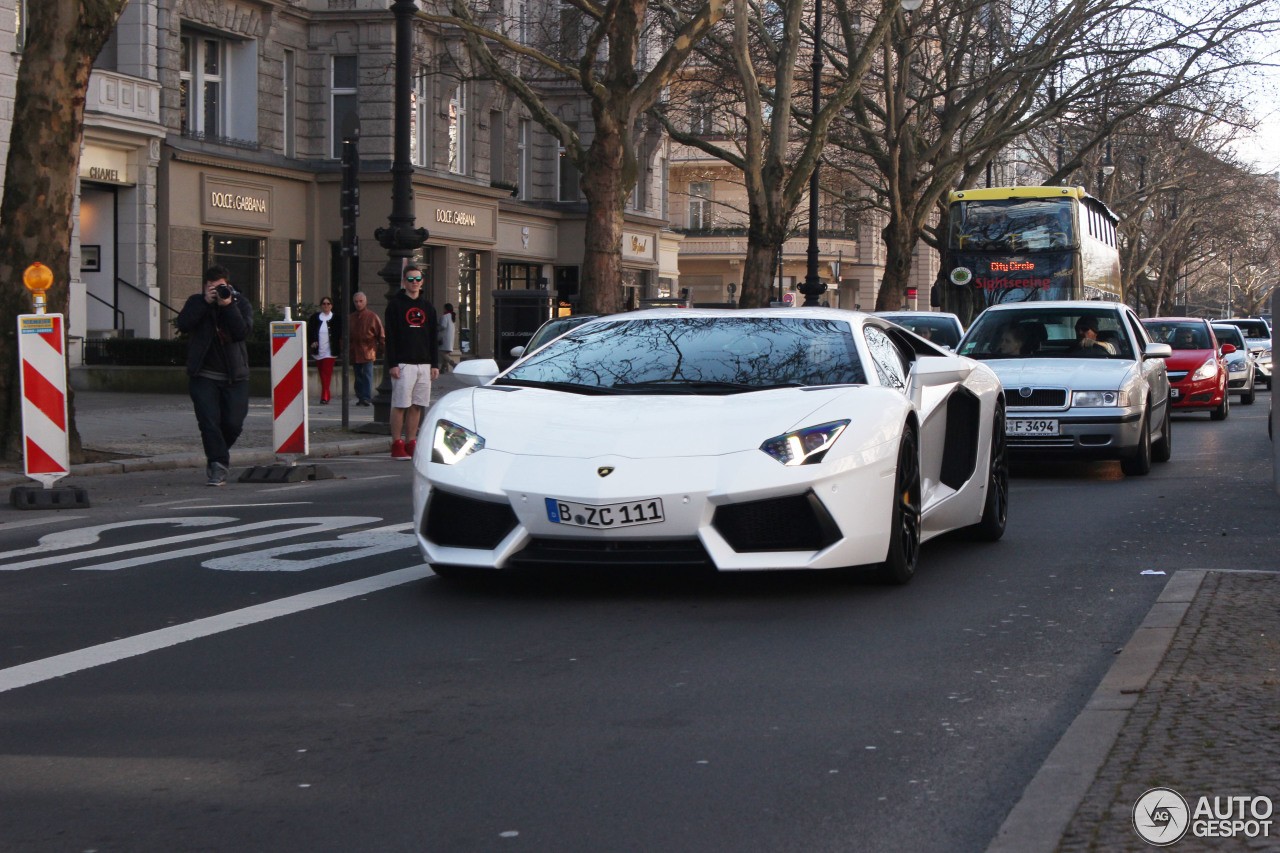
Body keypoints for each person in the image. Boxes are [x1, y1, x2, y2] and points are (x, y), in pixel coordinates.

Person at [176, 264, 254, 486]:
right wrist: (204, 302)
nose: (215, 291)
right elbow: (183, 324)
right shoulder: (196, 302)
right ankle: (218, 466)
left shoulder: (241, 303)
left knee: (233, 423)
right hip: (203, 376)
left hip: (235, 377)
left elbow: (242, 332)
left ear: (227, 286)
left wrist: (227, 305)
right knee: (209, 423)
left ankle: (217, 454)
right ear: (204, 287)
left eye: (219, 287)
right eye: (210, 287)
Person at [385, 264, 440, 460]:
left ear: (422, 281)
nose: (414, 283)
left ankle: (411, 441)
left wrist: (434, 363)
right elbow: (390, 336)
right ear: (403, 282)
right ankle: (396, 443)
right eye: (410, 279)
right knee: (400, 404)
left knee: (417, 405)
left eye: (417, 279)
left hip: (424, 363)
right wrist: (392, 363)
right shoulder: (395, 305)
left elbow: (433, 336)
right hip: (403, 363)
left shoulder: (428, 307)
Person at [348, 291, 385, 406]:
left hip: (368, 351)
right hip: (355, 350)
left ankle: (366, 397)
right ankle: (361, 397)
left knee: (367, 375)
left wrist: (383, 350)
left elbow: (381, 335)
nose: (358, 304)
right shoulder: (351, 318)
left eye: (360, 301)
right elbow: (345, 336)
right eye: (356, 302)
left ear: (365, 302)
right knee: (358, 375)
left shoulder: (372, 317)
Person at [306, 297, 343, 404]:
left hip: (330, 351)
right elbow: (310, 332)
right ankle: (327, 394)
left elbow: (339, 333)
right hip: (319, 350)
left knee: (326, 372)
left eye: (328, 304)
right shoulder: (315, 318)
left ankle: (325, 396)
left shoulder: (336, 318)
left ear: (331, 305)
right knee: (321, 372)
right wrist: (312, 342)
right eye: (324, 304)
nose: (326, 306)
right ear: (321, 305)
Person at [438, 302, 458, 372]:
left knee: (441, 352)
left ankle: (453, 363)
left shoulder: (445, 316)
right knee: (446, 353)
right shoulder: (452, 316)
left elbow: (443, 326)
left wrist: (437, 328)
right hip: (450, 337)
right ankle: (443, 368)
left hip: (444, 337)